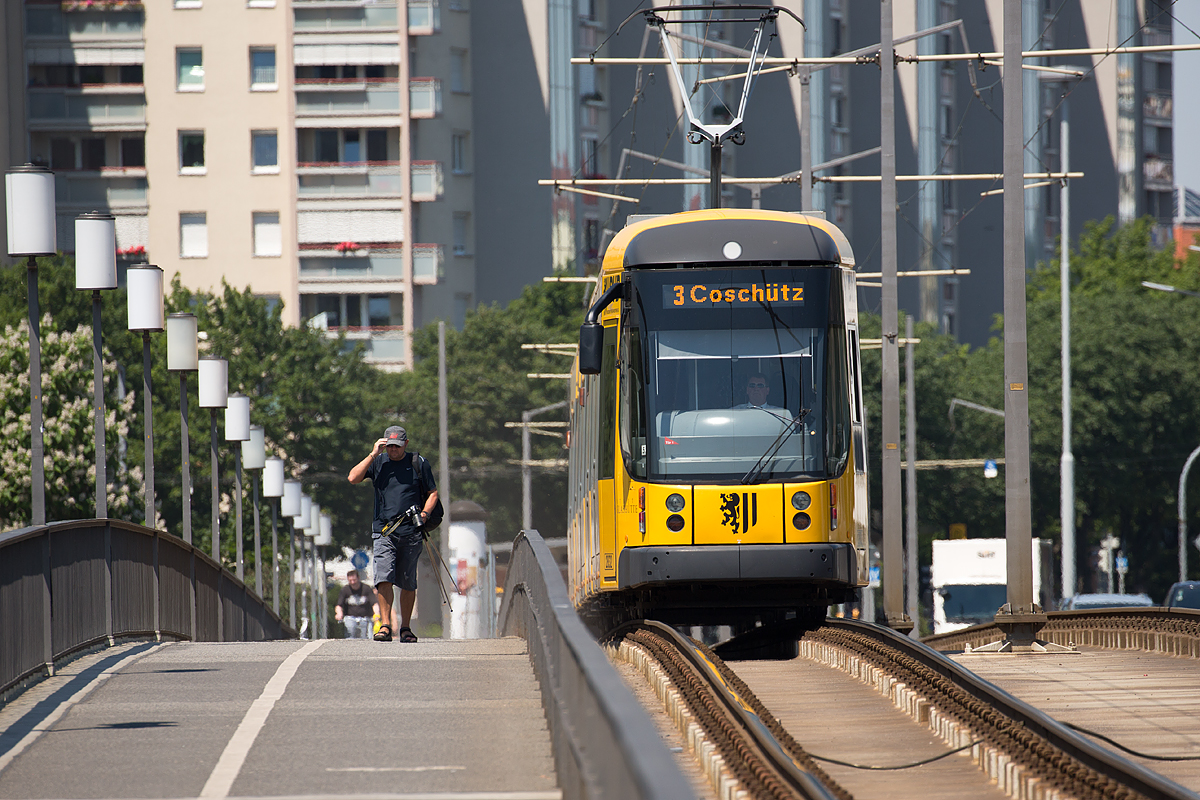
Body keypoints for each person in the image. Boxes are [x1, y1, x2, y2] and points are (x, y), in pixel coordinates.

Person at [347, 425, 438, 643]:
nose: (393, 450)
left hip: (411, 532)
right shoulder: (378, 462)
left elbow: (432, 493)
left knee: (407, 581)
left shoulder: (418, 463)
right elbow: (352, 478)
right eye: (389, 446)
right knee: (383, 578)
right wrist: (373, 453)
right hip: (384, 532)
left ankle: (405, 627)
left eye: (397, 446)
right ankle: (385, 625)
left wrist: (424, 515)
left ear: (405, 444)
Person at [334, 569, 378, 639]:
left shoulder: (366, 588)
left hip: (365, 618)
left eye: (354, 580)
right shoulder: (345, 590)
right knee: (350, 636)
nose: (352, 582)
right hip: (350, 618)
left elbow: (374, 603)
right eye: (350, 580)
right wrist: (339, 614)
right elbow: (339, 605)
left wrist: (376, 614)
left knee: (367, 637)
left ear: (358, 578)